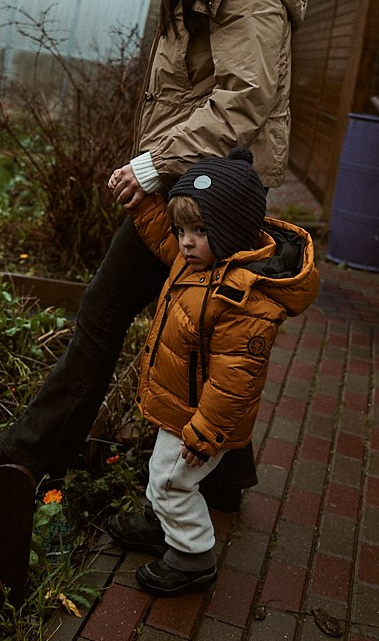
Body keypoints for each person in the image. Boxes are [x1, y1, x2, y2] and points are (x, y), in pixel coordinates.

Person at [0, 0, 309, 509]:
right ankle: (219, 483)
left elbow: (246, 95)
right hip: (196, 181)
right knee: (203, 332)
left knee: (115, 313)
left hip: (209, 192)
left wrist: (156, 164)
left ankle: (28, 456)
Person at [107, 148, 319, 596]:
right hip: (180, 401)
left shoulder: (244, 301)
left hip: (203, 417)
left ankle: (192, 557)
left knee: (170, 479)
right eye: (182, 229)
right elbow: (163, 239)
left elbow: (235, 380)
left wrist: (205, 433)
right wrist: (144, 204)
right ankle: (161, 522)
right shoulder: (198, 259)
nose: (185, 241)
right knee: (161, 472)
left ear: (230, 232)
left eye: (199, 231)